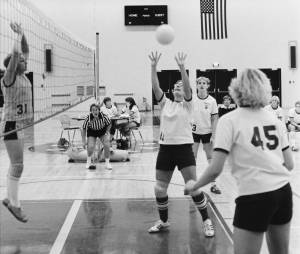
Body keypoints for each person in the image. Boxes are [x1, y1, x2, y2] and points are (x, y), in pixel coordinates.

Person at [185, 69, 294, 254]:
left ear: (236, 89)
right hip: (283, 193)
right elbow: (289, 164)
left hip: (254, 196)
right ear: (265, 89)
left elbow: (215, 169)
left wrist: (195, 185)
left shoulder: (229, 120)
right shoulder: (274, 119)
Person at [147, 51, 215, 237]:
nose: (179, 88)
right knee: (159, 188)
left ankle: (207, 221)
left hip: (184, 148)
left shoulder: (188, 104)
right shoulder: (165, 103)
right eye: (175, 86)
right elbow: (155, 86)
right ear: (171, 91)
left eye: (181, 86)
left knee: (192, 186)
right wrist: (153, 67)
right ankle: (164, 220)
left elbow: (187, 88)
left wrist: (182, 67)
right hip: (165, 150)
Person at [1, 22, 31, 222]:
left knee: (16, 164)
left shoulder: (22, 73)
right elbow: (16, 51)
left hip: (20, 125)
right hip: (12, 124)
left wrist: (24, 34)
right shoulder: (9, 76)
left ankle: (9, 198)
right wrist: (17, 35)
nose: (25, 61)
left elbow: (25, 50)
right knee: (18, 165)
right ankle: (14, 204)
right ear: (13, 63)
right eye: (21, 60)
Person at [192, 76, 221, 194]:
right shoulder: (192, 99)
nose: (202, 85)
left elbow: (215, 118)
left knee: (210, 158)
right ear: (197, 85)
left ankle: (214, 185)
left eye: (204, 83)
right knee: (191, 158)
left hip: (207, 133)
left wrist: (213, 135)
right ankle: (193, 183)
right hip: (193, 133)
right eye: (199, 83)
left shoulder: (212, 101)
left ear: (208, 85)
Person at [82, 103, 112, 170]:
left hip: (102, 131)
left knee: (107, 144)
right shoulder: (88, 118)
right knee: (91, 146)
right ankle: (88, 161)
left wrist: (107, 132)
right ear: (91, 111)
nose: (95, 111)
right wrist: (83, 141)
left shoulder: (104, 116)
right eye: (93, 110)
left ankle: (107, 163)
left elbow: (109, 124)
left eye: (96, 110)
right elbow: (83, 129)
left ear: (99, 110)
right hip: (92, 132)